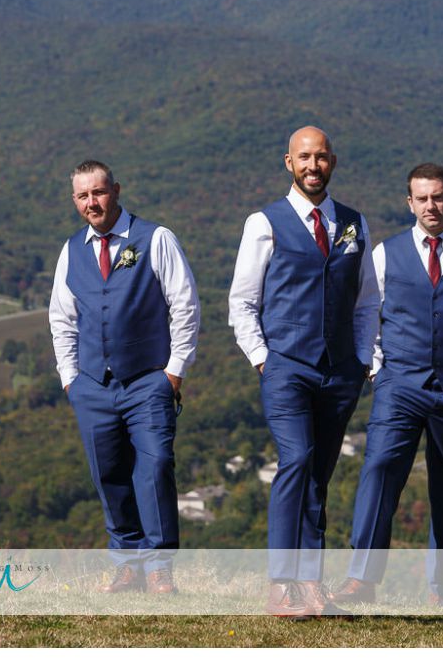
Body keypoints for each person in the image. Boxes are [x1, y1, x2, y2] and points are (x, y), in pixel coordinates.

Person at [329, 163, 443, 612]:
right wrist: (374, 367)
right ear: (409, 202)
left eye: (438, 197)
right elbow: (365, 312)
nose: (431, 206)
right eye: (422, 198)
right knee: (380, 472)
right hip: (400, 385)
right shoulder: (386, 254)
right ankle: (361, 579)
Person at [228, 126, 380, 617]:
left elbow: (368, 301)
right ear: (288, 163)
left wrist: (361, 360)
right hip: (286, 366)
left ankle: (311, 583)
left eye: (321, 157)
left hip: (340, 373)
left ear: (333, 161)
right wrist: (262, 358)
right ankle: (281, 583)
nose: (313, 165)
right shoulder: (264, 222)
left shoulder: (355, 224)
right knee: (296, 460)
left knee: (320, 473)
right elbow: (243, 301)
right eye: (304, 158)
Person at [49, 160, 200, 595]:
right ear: (75, 200)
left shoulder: (156, 238)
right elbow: (62, 318)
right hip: (92, 386)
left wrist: (174, 373)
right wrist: (70, 379)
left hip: (148, 380)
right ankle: (127, 564)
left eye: (98, 193)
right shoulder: (71, 250)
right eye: (82, 196)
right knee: (108, 473)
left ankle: (159, 567)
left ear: (115, 190)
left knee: (154, 468)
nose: (91, 203)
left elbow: (185, 306)